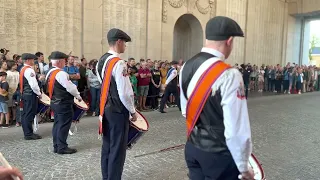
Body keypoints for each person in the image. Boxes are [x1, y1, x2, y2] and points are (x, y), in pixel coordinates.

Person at [179, 16, 254, 180]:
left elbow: (185, 110)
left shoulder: (186, 66)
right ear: (229, 41)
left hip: (193, 148)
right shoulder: (230, 74)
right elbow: (236, 129)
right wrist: (243, 167)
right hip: (219, 155)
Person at [96, 28, 137, 180]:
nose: (125, 46)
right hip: (118, 110)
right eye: (124, 43)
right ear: (118, 42)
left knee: (107, 146)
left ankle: (106, 176)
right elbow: (125, 92)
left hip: (105, 108)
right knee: (117, 149)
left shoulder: (101, 60)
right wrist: (133, 111)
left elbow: (104, 85)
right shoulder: (119, 63)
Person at [45, 51, 82, 154]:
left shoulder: (49, 72)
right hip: (63, 103)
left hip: (55, 101)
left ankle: (56, 145)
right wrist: (78, 96)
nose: (65, 62)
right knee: (64, 125)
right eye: (65, 60)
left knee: (57, 124)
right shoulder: (61, 73)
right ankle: (62, 147)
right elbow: (71, 88)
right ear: (60, 61)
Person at [19, 53, 42, 140]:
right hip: (30, 95)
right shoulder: (29, 70)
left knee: (25, 114)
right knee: (29, 114)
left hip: (25, 94)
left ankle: (28, 132)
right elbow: (33, 85)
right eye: (32, 59)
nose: (34, 61)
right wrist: (39, 94)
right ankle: (28, 134)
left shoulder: (23, 69)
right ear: (28, 60)